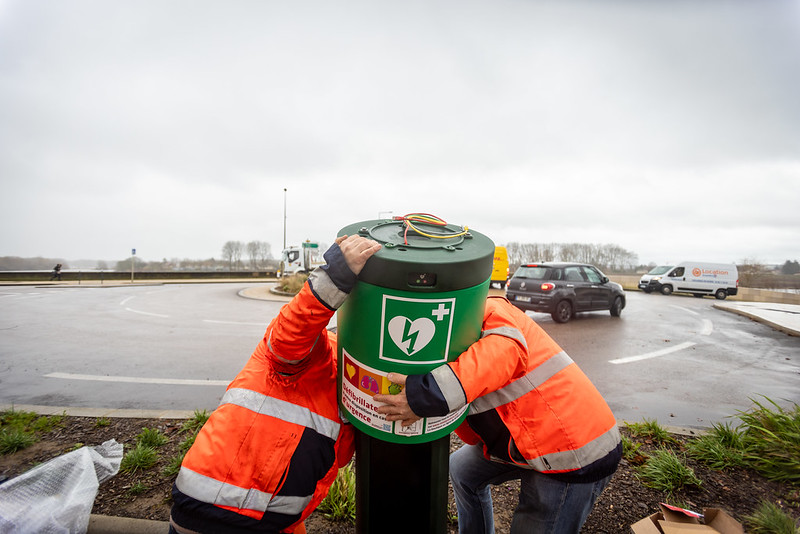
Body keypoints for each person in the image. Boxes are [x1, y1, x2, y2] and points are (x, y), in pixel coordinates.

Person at [170, 234, 382, 534]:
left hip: (274, 518)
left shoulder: (360, 382)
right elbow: (292, 333)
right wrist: (337, 275)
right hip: (220, 510)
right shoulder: (317, 353)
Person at [374, 295, 622, 534]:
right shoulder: (447, 329)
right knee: (463, 470)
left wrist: (423, 397)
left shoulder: (489, 310)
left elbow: (504, 352)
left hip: (573, 449)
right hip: (526, 438)